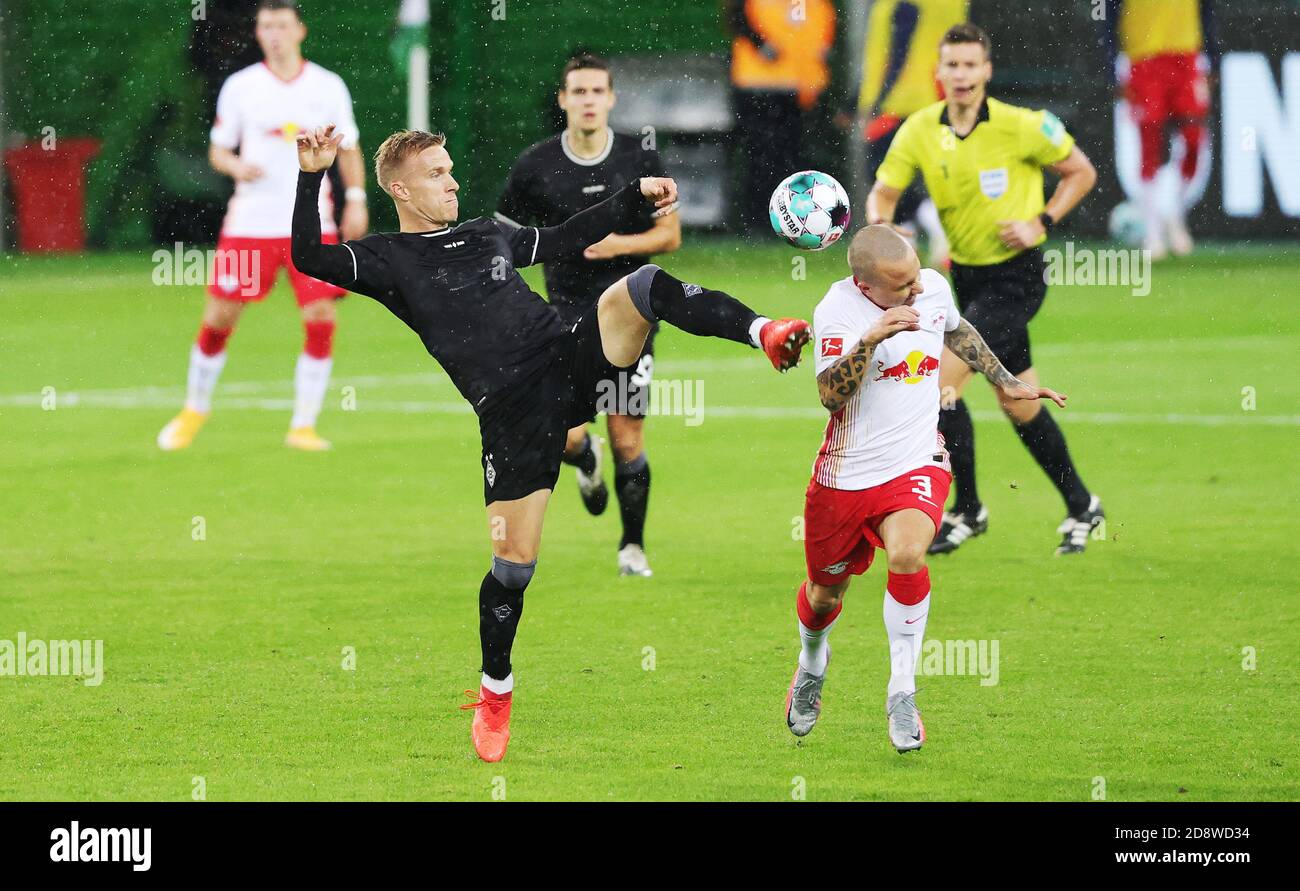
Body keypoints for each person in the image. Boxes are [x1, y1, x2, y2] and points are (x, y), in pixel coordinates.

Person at [291, 125, 811, 763]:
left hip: (566, 358)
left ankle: (763, 330)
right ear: (400, 188)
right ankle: (496, 690)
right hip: (510, 415)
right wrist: (312, 174)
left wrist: (633, 197)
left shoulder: (488, 233)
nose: (452, 181)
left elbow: (565, 237)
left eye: (451, 168)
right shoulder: (386, 259)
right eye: (435, 174)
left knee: (644, 285)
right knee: (513, 567)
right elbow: (308, 257)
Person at [786, 225, 1068, 752]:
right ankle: (811, 663)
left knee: (910, 554)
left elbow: (957, 331)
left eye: (917, 277)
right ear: (865, 286)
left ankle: (902, 691)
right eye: (901, 287)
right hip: (845, 475)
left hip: (916, 459)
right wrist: (871, 339)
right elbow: (829, 395)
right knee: (824, 596)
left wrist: (1006, 381)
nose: (916, 291)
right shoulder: (839, 311)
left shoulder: (932, 286)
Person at [867, 23, 1104, 556]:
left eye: (971, 65)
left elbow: (1081, 172)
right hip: (965, 279)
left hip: (1016, 277)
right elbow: (883, 192)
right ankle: (1082, 506)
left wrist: (1040, 221)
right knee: (1018, 401)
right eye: (952, 65)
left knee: (937, 384)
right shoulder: (921, 129)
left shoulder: (1022, 126)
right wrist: (885, 228)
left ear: (987, 71)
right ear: (939, 72)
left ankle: (968, 510)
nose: (961, 75)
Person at [496, 54, 681, 578]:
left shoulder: (639, 158)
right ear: (563, 100)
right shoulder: (534, 165)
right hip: (566, 317)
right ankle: (584, 457)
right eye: (578, 92)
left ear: (612, 98)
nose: (588, 101)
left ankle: (632, 549)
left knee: (628, 437)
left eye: (597, 91)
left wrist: (617, 242)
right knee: (560, 434)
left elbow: (670, 236)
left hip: (631, 313)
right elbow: (503, 240)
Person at [157, 0, 368, 452]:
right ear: (258, 34)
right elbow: (218, 150)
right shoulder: (241, 86)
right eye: (266, 26)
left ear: (300, 31)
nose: (274, 33)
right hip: (251, 223)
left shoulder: (327, 85)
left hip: (312, 222)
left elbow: (348, 148)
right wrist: (236, 166)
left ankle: (303, 425)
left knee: (320, 318)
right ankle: (194, 409)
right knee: (218, 318)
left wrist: (356, 198)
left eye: (282, 25)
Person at [842, 0, 967, 266]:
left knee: (885, 177)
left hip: (898, 105)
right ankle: (919, 240)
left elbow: (897, 49)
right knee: (929, 173)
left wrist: (876, 101)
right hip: (937, 99)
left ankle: (929, 226)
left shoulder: (899, 5)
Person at [1103, 0, 1217, 259]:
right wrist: (1111, 67)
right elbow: (1108, 17)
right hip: (1144, 59)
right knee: (1150, 144)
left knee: (1193, 140)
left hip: (1187, 58)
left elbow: (1206, 12)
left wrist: (1213, 56)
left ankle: (1173, 211)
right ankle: (1153, 231)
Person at [727, 0, 836, 235]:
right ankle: (759, 222)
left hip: (790, 90)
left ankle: (780, 221)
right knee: (763, 156)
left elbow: (816, 45)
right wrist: (762, 45)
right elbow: (738, 19)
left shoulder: (816, 6)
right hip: (759, 87)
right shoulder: (812, 6)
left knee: (785, 157)